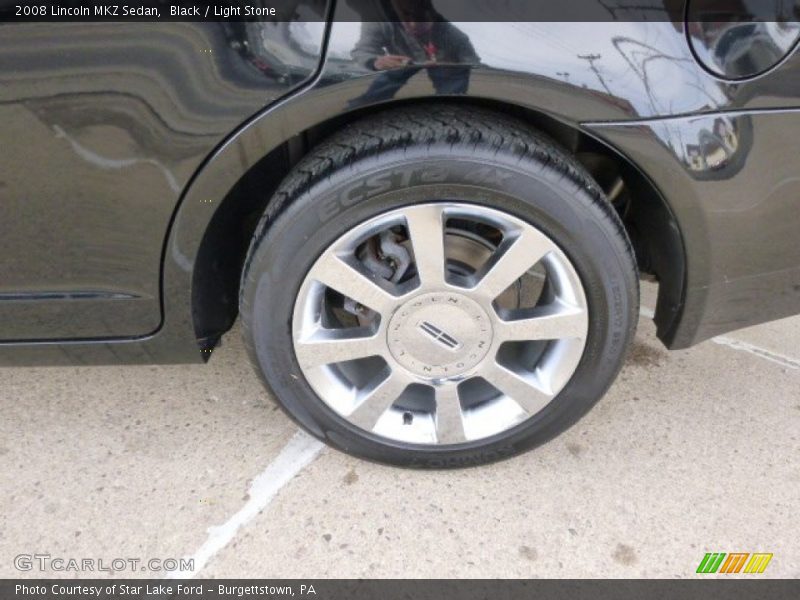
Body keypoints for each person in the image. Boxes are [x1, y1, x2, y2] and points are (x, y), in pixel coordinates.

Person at [349, 0, 480, 105]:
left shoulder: (453, 34)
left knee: (454, 80)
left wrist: (451, 66)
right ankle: (364, 104)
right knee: (386, 78)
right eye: (406, 16)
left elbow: (474, 64)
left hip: (444, 70)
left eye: (421, 18)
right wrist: (375, 62)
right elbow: (362, 51)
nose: (413, 25)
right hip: (402, 65)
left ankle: (447, 109)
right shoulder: (380, 23)